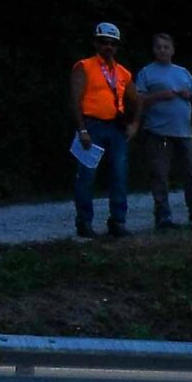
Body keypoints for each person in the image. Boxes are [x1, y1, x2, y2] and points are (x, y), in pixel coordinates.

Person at [129, 32, 192, 230]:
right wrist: (159, 96)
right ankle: (163, 215)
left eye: (166, 47)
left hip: (184, 132)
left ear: (172, 50)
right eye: (159, 47)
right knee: (160, 174)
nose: (162, 50)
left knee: (191, 172)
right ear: (154, 50)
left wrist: (189, 95)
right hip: (158, 132)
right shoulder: (147, 73)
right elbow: (138, 100)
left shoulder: (183, 72)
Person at [70, 21, 133, 239]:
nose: (108, 47)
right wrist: (82, 130)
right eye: (104, 42)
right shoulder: (84, 66)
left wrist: (135, 124)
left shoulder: (123, 72)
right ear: (96, 43)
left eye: (113, 44)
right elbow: (75, 100)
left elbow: (137, 100)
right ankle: (84, 223)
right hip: (92, 126)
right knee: (87, 176)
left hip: (116, 128)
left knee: (119, 175)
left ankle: (117, 221)